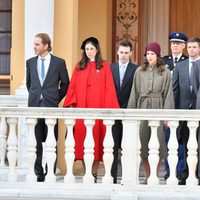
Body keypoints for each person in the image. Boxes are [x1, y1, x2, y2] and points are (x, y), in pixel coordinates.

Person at [63, 37, 119, 182]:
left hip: (98, 111)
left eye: (92, 49)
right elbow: (73, 87)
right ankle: (86, 170)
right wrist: (70, 105)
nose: (89, 52)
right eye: (87, 49)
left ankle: (93, 173)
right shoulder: (79, 66)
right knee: (81, 142)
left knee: (97, 142)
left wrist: (109, 110)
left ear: (97, 49)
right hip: (82, 112)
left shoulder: (104, 66)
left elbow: (109, 89)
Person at [127, 42, 174, 184]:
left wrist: (167, 116)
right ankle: (148, 176)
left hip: (157, 107)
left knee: (158, 143)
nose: (149, 56)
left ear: (157, 55)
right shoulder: (139, 71)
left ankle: (155, 174)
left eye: (152, 54)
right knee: (143, 143)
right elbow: (134, 93)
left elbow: (168, 94)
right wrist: (131, 114)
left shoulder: (165, 72)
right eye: (147, 54)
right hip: (142, 107)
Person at [26, 33, 69, 182]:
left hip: (51, 106)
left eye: (37, 44)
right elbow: (29, 84)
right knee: (36, 141)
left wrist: (55, 97)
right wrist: (36, 96)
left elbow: (65, 84)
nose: (34, 47)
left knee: (52, 140)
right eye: (34, 44)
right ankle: (38, 173)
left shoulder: (59, 63)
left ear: (46, 46)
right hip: (34, 106)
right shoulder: (30, 62)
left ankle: (49, 170)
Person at [173, 37, 200, 185]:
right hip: (183, 110)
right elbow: (174, 90)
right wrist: (172, 113)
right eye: (189, 47)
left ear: (199, 49)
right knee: (184, 144)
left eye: (194, 47)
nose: (191, 50)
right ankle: (184, 174)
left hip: (198, 109)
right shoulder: (180, 66)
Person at [110, 40, 138, 183]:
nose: (123, 55)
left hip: (129, 112)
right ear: (117, 52)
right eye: (121, 52)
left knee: (128, 147)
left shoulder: (136, 69)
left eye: (126, 53)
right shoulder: (110, 68)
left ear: (131, 53)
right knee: (113, 147)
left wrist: (129, 107)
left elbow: (136, 90)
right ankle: (113, 178)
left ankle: (128, 178)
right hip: (113, 112)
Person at [162, 32, 188, 180]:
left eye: (178, 43)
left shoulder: (187, 61)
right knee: (168, 140)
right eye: (173, 43)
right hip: (168, 105)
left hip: (183, 106)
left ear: (184, 46)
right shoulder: (164, 61)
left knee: (182, 140)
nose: (175, 46)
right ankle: (168, 170)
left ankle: (180, 171)